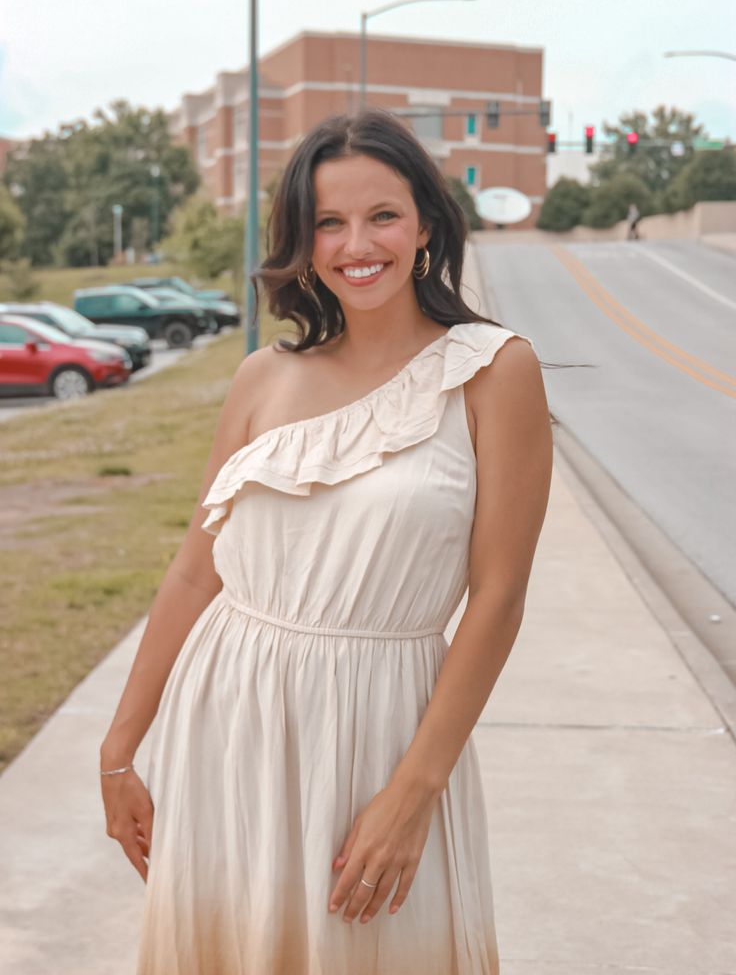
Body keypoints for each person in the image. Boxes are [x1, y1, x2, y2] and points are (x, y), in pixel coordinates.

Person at [99, 107, 553, 975]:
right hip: (227, 727)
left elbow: (499, 597)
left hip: (382, 732)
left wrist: (415, 794)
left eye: (381, 214)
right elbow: (198, 573)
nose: (357, 244)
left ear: (425, 223)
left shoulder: (494, 371)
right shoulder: (262, 378)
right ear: (302, 244)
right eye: (328, 223)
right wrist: (120, 751)